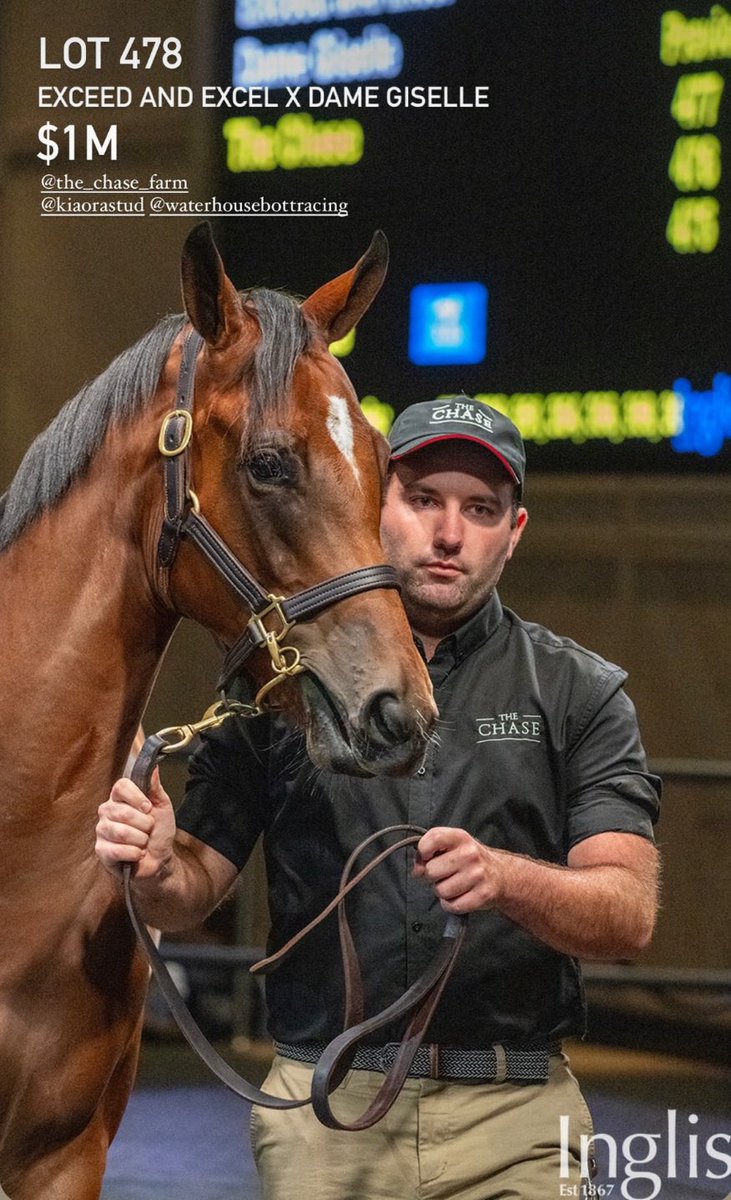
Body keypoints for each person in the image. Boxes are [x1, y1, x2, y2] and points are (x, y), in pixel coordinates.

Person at [96, 395, 661, 1200]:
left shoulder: (579, 692)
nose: (448, 533)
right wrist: (155, 863)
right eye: (423, 499)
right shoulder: (274, 687)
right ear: (373, 503)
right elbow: (191, 889)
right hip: (325, 1114)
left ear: (514, 533)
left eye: (480, 509)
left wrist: (507, 878)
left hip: (517, 1116)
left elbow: (628, 911)